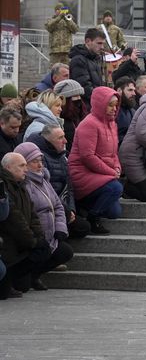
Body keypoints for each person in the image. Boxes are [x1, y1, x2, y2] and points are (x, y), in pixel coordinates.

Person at [16, 142, 73, 292]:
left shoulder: (43, 180)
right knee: (22, 286)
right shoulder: (24, 185)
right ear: (24, 164)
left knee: (65, 251)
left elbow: (58, 205)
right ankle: (25, 276)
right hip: (34, 237)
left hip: (50, 236)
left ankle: (35, 275)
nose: (40, 165)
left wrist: (60, 227)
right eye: (34, 161)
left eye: (40, 161)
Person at [68, 87, 123, 234]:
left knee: (114, 212)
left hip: (101, 173)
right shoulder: (89, 124)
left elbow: (114, 153)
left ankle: (84, 206)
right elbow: (88, 157)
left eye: (116, 104)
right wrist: (111, 172)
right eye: (110, 105)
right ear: (100, 104)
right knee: (115, 188)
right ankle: (93, 218)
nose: (114, 108)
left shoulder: (112, 124)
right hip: (82, 172)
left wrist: (117, 167)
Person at [0, 153, 48, 298]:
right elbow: (14, 219)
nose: (26, 169)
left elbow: (32, 215)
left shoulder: (22, 185)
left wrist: (39, 236)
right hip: (9, 241)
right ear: (8, 168)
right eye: (21, 166)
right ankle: (7, 280)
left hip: (21, 240)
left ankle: (10, 280)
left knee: (45, 248)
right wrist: (32, 241)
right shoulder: (4, 186)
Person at [29, 124, 89, 239]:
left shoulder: (61, 157)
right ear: (49, 141)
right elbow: (47, 191)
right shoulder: (40, 158)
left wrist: (71, 209)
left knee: (84, 224)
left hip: (62, 204)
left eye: (64, 136)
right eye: (60, 138)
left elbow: (69, 186)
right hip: (49, 207)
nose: (65, 141)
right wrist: (65, 211)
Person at [68, 27, 107, 105]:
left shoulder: (95, 59)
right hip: (86, 106)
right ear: (88, 41)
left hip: (94, 103)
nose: (102, 47)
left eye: (103, 44)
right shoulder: (78, 60)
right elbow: (85, 88)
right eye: (99, 43)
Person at [54, 79, 86, 152]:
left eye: (80, 95)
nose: (79, 99)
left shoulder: (80, 117)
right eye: (75, 96)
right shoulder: (62, 123)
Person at [113, 77, 137, 145]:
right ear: (119, 90)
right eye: (130, 90)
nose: (134, 93)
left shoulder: (132, 110)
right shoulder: (112, 111)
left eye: (134, 90)